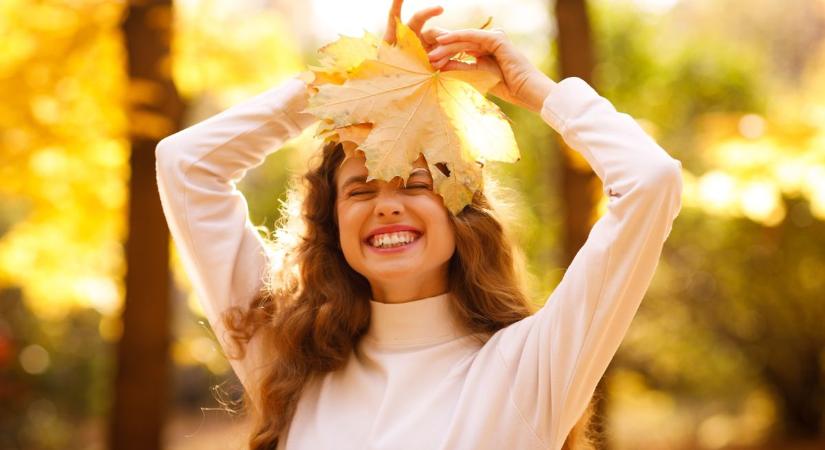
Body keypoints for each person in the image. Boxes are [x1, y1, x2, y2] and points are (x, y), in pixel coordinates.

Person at [154, 1, 683, 449]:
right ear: (331, 222)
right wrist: (346, 81)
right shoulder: (288, 358)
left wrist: (537, 91)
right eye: (360, 190)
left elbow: (650, 181)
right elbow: (186, 166)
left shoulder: (530, 368)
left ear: (460, 213)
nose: (386, 205)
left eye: (415, 184)